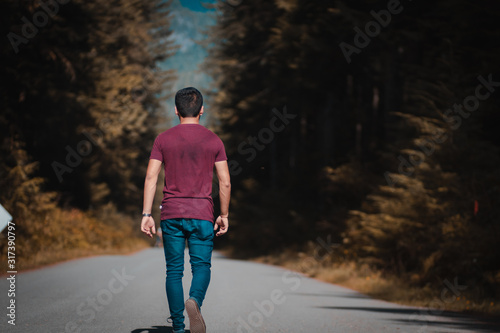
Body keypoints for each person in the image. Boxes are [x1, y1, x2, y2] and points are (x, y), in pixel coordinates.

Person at [140, 87, 231, 333]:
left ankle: (179, 327)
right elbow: (224, 181)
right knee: (201, 267)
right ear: (202, 110)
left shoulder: (163, 139)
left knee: (174, 271)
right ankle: (195, 302)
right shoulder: (214, 140)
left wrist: (147, 214)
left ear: (176, 110)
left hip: (171, 213)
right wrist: (223, 215)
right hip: (202, 213)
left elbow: (151, 177)